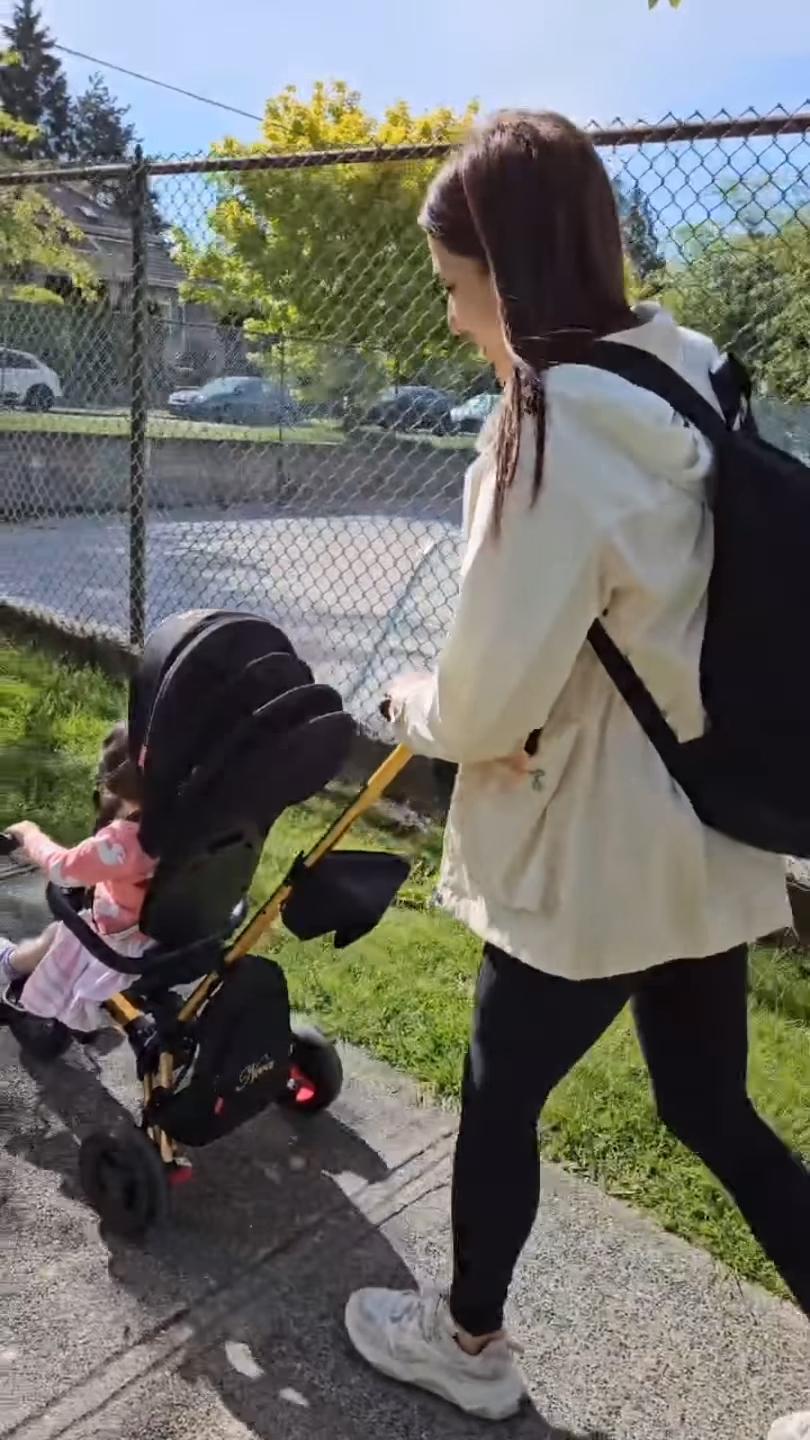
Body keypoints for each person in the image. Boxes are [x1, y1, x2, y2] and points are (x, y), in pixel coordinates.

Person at [343, 110, 810, 1423]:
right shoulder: (685, 368)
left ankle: (468, 1347)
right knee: (711, 1113)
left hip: (588, 855)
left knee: (497, 1093)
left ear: (508, 270)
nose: (450, 322)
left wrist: (402, 700)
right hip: (706, 826)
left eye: (454, 289)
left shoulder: (546, 428)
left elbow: (485, 705)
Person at [0, 722, 155, 1033]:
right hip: (170, 929)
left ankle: (10, 965)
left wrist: (28, 832)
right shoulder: (191, 827)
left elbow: (63, 869)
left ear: (113, 783)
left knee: (62, 931)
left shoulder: (123, 842)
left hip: (123, 937)